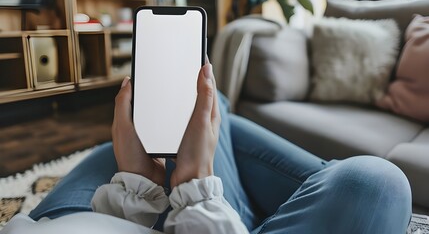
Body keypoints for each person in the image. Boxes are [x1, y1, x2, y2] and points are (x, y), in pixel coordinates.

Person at [1, 62, 412, 234]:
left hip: (71, 221)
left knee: (208, 114)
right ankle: (234, 208)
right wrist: (196, 185)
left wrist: (139, 185)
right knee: (377, 183)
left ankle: (217, 167)